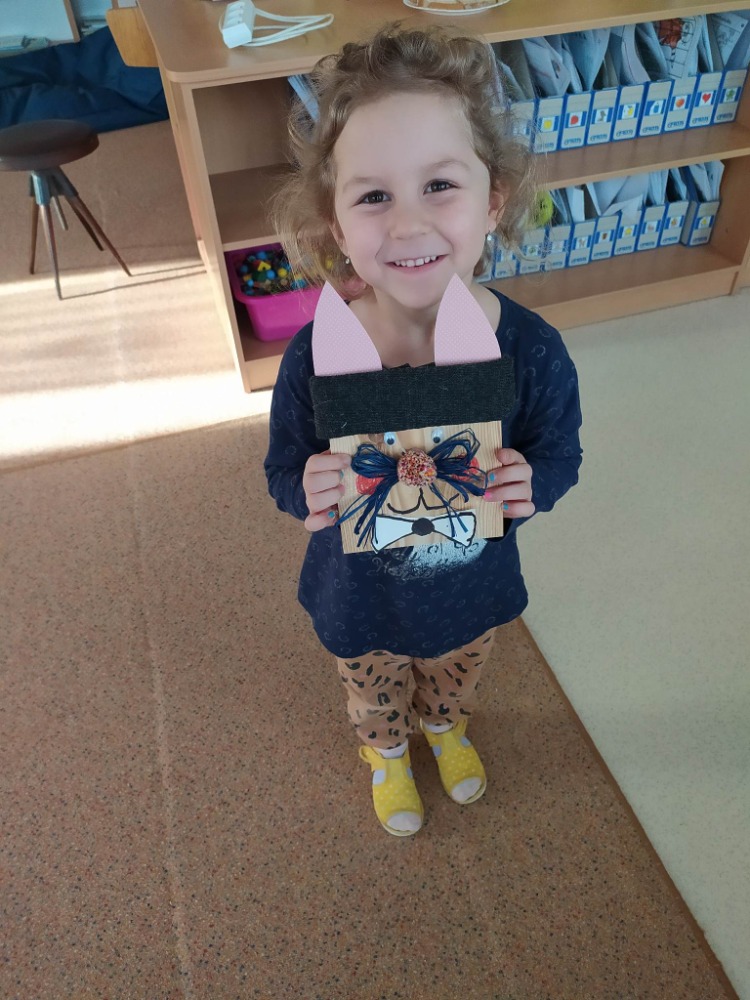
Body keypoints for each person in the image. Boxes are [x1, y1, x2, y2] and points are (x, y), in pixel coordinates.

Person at [264, 23, 582, 837]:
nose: (406, 226)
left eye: (439, 184)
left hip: (471, 586)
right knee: (372, 689)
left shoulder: (530, 351)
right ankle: (387, 753)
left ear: (493, 201)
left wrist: (533, 481)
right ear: (337, 226)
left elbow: (560, 453)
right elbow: (283, 468)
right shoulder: (317, 355)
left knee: (456, 675)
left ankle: (443, 729)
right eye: (373, 196)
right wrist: (305, 488)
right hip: (358, 592)